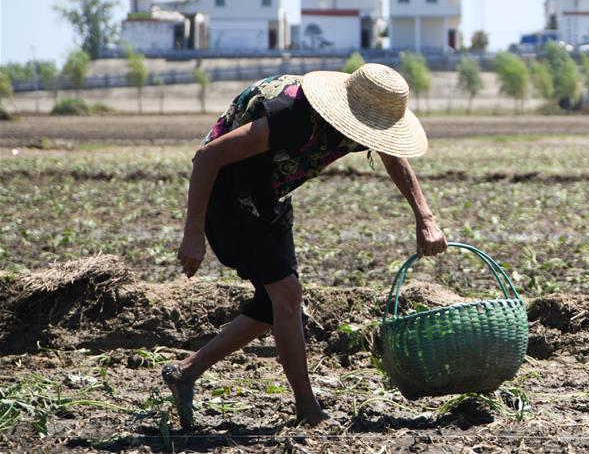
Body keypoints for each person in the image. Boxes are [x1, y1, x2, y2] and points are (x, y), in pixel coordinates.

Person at [163, 64, 447, 428]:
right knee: (287, 295)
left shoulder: (363, 122)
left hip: (270, 193)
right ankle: (308, 410)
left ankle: (185, 372)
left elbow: (393, 157)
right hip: (226, 191)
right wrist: (193, 232)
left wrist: (424, 216)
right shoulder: (293, 115)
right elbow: (208, 158)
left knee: (273, 304)